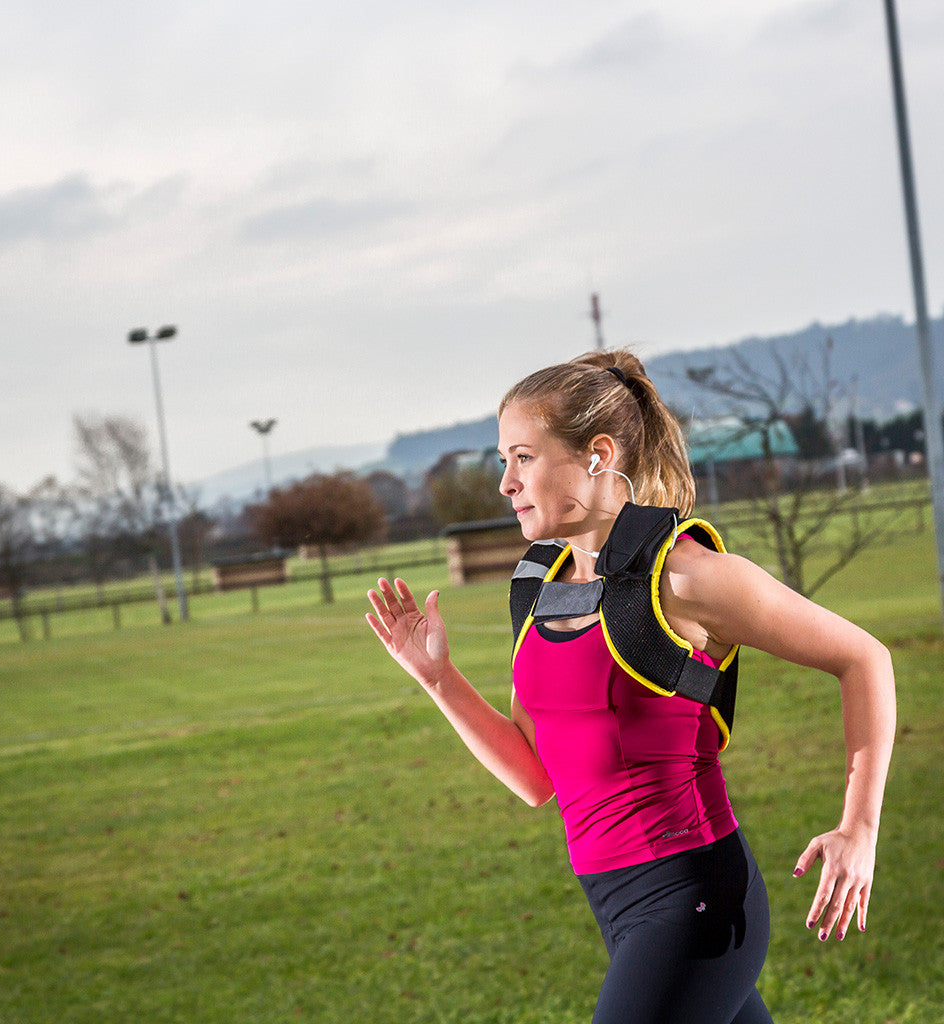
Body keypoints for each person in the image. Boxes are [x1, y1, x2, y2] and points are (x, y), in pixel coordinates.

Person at [365, 350, 896, 1024]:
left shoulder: (689, 577)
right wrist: (437, 677)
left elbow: (864, 658)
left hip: (693, 900)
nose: (506, 482)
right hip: (614, 904)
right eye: (503, 460)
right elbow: (538, 778)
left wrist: (861, 828)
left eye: (523, 457)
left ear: (598, 454)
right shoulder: (539, 590)